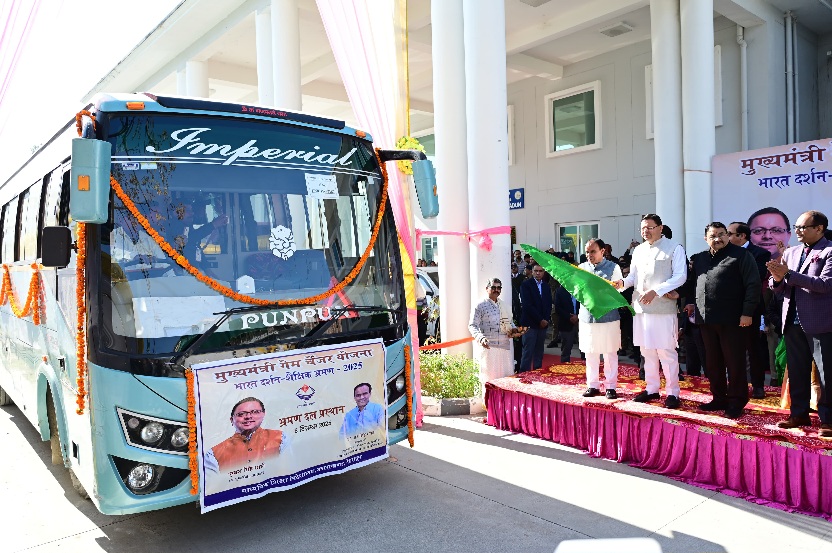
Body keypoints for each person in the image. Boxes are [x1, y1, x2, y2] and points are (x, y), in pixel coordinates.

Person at [766, 210, 832, 437]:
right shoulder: (791, 252)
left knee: (826, 374)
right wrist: (776, 280)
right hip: (791, 322)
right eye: (796, 227)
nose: (797, 231)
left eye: (803, 227)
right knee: (796, 371)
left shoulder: (829, 252)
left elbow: (825, 285)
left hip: (820, 323)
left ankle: (828, 420)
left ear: (819, 229)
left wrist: (789, 275)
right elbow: (780, 286)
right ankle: (799, 413)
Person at [685, 223, 760, 418]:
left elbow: (753, 285)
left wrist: (747, 312)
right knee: (713, 363)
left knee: (734, 363)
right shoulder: (700, 258)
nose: (717, 238)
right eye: (713, 235)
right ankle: (719, 398)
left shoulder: (741, 256)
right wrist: (690, 302)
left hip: (733, 320)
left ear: (727, 235)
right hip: (706, 320)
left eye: (721, 234)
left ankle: (736, 401)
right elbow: (694, 284)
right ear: (705, 238)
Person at [614, 214, 687, 408]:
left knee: (666, 352)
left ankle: (673, 393)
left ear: (660, 228)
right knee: (647, 352)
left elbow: (680, 277)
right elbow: (633, 278)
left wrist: (657, 291)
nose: (646, 231)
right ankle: (652, 388)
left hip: (663, 308)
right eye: (643, 228)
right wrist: (621, 283)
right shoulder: (638, 250)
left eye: (650, 227)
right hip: (641, 308)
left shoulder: (674, 248)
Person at [728, 221, 772, 398]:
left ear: (741, 236)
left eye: (730, 233)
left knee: (754, 348)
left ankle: (758, 385)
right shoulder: (725, 253)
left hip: (751, 308)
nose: (727, 237)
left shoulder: (761, 253)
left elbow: (756, 277)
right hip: (729, 308)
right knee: (731, 349)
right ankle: (735, 385)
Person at [578, 239, 623, 399]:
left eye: (593, 251)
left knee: (610, 352)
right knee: (591, 352)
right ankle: (593, 384)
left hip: (608, 317)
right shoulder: (582, 268)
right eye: (587, 252)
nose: (589, 255)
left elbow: (620, 290)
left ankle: (611, 386)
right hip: (587, 317)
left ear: (602, 251)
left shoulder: (613, 267)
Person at [206, 397, 289, 472]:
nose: (248, 416)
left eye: (255, 412)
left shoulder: (281, 438)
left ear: (263, 414)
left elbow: (289, 470)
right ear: (232, 420)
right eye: (241, 414)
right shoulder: (213, 454)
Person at [469, 278, 518, 396]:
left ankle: (504, 406)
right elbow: (472, 325)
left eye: (499, 288)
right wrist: (480, 338)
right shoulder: (480, 305)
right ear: (487, 289)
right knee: (490, 379)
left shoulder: (504, 305)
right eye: (493, 287)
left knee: (505, 377)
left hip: (504, 348)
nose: (496, 290)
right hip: (489, 348)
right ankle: (489, 406)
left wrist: (515, 330)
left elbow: (510, 323)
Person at [519, 264, 553, 372]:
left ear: (544, 272)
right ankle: (524, 374)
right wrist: (540, 320)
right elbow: (527, 305)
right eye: (536, 271)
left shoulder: (546, 286)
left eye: (541, 271)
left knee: (539, 351)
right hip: (530, 324)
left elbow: (548, 304)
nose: (538, 273)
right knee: (528, 351)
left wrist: (546, 319)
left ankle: (537, 373)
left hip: (542, 325)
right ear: (532, 272)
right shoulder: (526, 285)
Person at [554, 285, 578, 363]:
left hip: (581, 321)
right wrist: (569, 317)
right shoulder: (560, 291)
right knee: (566, 349)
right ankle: (564, 368)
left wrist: (578, 316)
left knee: (585, 349)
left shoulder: (580, 290)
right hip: (566, 322)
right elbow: (557, 308)